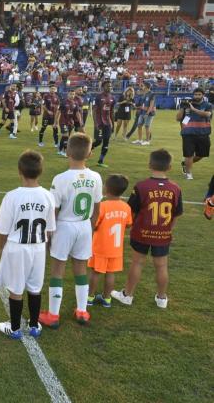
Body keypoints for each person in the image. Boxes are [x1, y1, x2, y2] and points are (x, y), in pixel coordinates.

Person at [39, 133, 103, 328]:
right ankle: (82, 310)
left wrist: (49, 233)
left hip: (64, 226)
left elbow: (53, 210)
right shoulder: (96, 177)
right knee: (81, 269)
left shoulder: (60, 179)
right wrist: (89, 229)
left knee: (58, 269)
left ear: (66, 151)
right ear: (90, 154)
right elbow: (97, 208)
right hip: (84, 225)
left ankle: (53, 314)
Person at [0, 150, 56, 339]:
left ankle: (14, 328)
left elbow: (3, 230)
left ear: (19, 171)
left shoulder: (12, 196)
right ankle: (34, 324)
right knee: (35, 286)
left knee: (16, 288)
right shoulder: (47, 196)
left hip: (17, 247)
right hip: (38, 246)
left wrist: (1, 248)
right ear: (40, 171)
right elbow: (50, 229)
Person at [111, 149, 183, 309]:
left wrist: (131, 225)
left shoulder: (141, 186)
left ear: (150, 164)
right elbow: (176, 213)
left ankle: (127, 295)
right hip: (163, 234)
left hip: (141, 232)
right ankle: (162, 298)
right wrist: (169, 228)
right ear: (170, 167)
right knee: (162, 266)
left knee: (137, 262)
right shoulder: (175, 188)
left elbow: (131, 211)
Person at [87, 174, 132, 308]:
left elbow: (94, 224)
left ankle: (90, 297)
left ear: (106, 189)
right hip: (116, 249)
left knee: (96, 272)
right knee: (110, 273)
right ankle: (107, 299)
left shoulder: (102, 206)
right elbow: (129, 224)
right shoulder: (126, 207)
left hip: (101, 246)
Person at [176, 87, 212, 180]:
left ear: (203, 95)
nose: (197, 96)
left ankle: (185, 164)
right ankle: (188, 173)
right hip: (188, 133)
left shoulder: (208, 105)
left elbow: (207, 114)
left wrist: (193, 109)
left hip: (203, 133)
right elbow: (178, 118)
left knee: (202, 155)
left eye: (199, 94)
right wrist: (182, 108)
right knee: (189, 154)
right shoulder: (187, 105)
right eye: (195, 94)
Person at [91, 80, 116, 168]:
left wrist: (113, 124)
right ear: (103, 87)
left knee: (106, 142)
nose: (109, 87)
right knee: (98, 141)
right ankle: (89, 149)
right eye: (108, 86)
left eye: (110, 86)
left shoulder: (112, 98)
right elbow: (94, 111)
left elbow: (112, 112)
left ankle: (100, 161)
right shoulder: (98, 97)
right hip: (99, 123)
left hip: (108, 123)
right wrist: (95, 123)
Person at [55, 90, 80, 157]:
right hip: (63, 122)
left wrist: (80, 122)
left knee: (65, 136)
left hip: (70, 122)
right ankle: (65, 151)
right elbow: (58, 112)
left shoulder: (75, 103)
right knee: (66, 135)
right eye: (71, 94)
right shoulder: (63, 102)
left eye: (73, 94)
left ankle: (60, 150)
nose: (72, 96)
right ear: (68, 94)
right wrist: (55, 122)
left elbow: (77, 113)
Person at [38, 83, 59, 147]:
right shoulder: (45, 96)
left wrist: (57, 113)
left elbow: (58, 105)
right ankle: (40, 142)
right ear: (49, 89)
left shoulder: (56, 96)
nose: (53, 90)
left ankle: (56, 143)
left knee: (55, 128)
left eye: (54, 89)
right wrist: (48, 111)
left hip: (54, 116)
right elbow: (43, 105)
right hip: (46, 116)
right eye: (52, 89)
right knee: (43, 128)